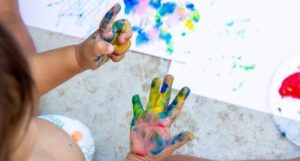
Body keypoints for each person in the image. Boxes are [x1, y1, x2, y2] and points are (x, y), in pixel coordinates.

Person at [0, 1, 299, 161]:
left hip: (50, 135)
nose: (28, 82)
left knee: (12, 49)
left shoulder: (11, 112)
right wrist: (139, 160)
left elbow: (28, 78)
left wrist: (79, 56)